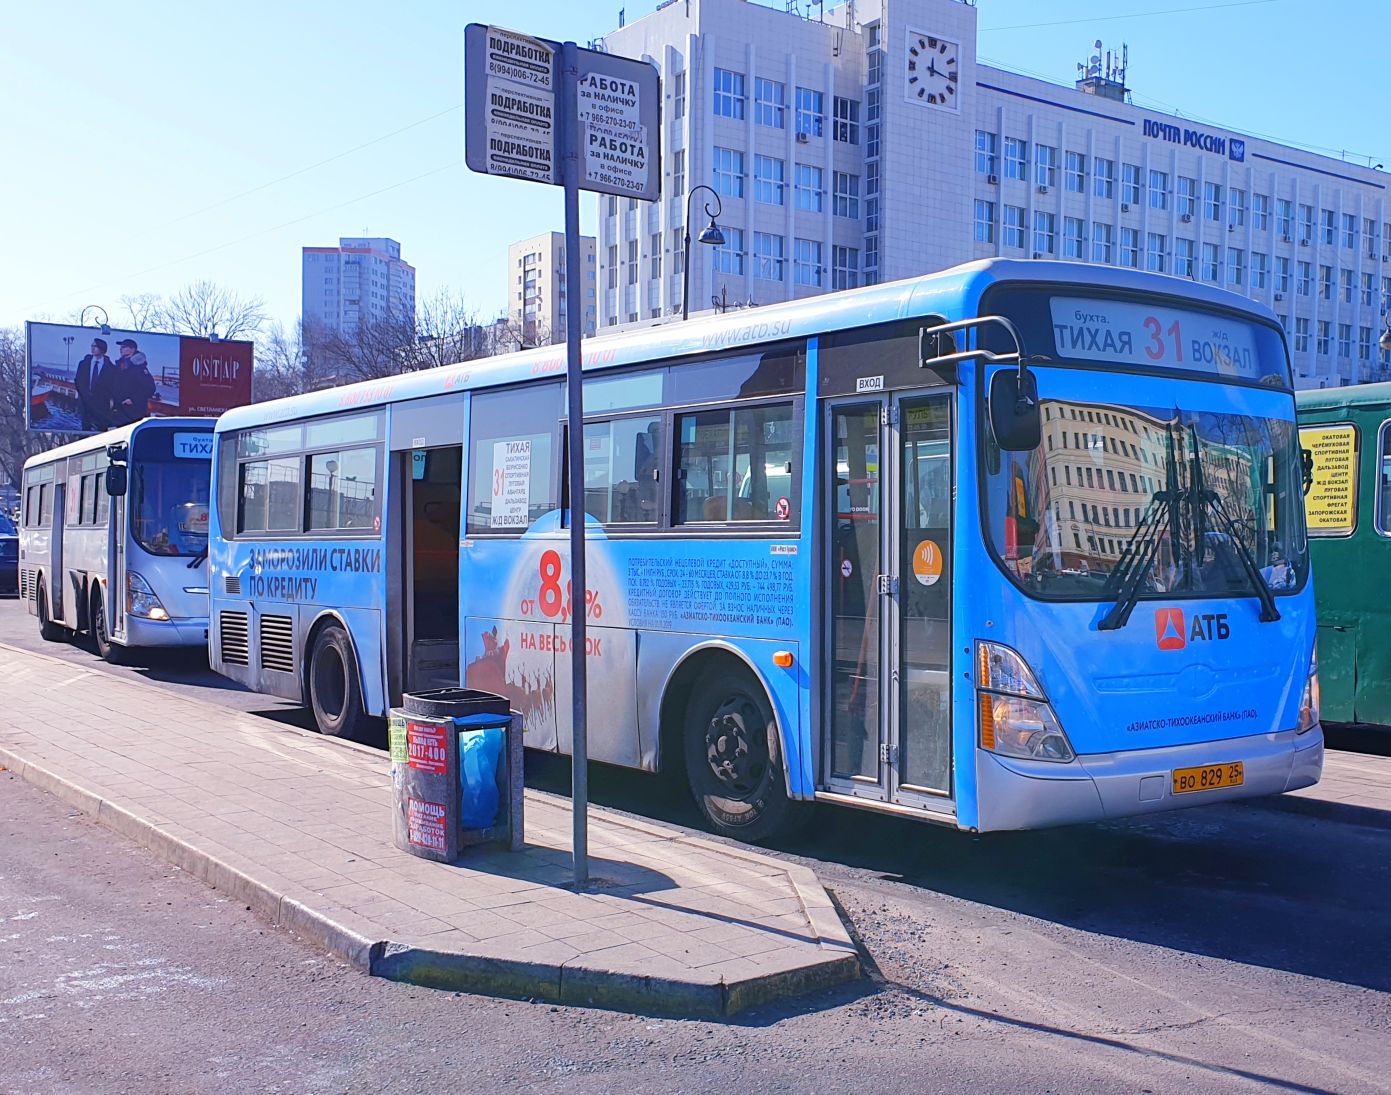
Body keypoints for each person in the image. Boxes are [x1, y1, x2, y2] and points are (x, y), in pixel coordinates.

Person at [107, 341, 156, 426]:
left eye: (124, 347)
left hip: (134, 412)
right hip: (119, 409)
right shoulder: (120, 365)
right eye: (121, 347)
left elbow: (150, 388)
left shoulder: (139, 367)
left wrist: (133, 399)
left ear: (133, 349)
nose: (121, 349)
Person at [74, 338, 116, 432]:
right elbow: (78, 381)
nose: (92, 348)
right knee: (85, 428)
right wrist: (84, 395)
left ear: (102, 348)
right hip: (85, 402)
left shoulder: (111, 368)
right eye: (92, 346)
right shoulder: (83, 364)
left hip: (101, 404)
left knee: (101, 429)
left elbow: (112, 386)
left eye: (95, 346)